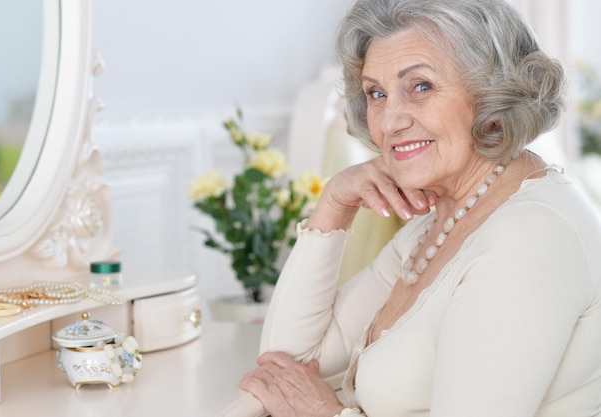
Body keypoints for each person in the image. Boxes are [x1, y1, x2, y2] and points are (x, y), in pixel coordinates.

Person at [237, 0, 601, 416]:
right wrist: (335, 204)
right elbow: (286, 361)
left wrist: (325, 413)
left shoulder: (532, 237)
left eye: (421, 86)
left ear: (491, 93)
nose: (389, 120)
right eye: (377, 93)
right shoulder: (441, 219)